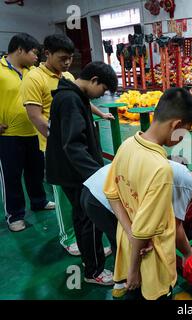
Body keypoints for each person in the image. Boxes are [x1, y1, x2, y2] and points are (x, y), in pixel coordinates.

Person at [103, 87, 192, 300]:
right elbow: (143, 231)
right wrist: (133, 271)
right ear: (175, 125)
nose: (183, 138)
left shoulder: (127, 145)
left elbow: (111, 193)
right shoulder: (160, 168)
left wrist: (129, 233)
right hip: (151, 261)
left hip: (129, 245)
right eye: (185, 131)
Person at [21, 34, 113, 255]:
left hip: (71, 146)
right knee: (66, 201)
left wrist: (100, 113)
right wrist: (57, 138)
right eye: (63, 58)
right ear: (47, 54)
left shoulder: (69, 79)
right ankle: (67, 237)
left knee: (81, 205)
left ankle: (86, 243)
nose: (67, 63)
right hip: (54, 147)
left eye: (70, 58)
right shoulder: (34, 78)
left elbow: (84, 101)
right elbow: (34, 115)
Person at [81, 160, 192, 297]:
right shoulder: (187, 185)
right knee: (129, 244)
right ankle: (129, 282)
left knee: (124, 238)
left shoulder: (176, 171)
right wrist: (188, 252)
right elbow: (176, 226)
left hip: (94, 185)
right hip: (102, 198)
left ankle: (124, 280)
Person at [45, 61, 118, 285]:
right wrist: (96, 177)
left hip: (70, 172)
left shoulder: (72, 95)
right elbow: (73, 145)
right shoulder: (70, 99)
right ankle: (93, 271)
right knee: (90, 219)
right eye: (103, 90)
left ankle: (90, 257)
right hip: (76, 174)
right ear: (94, 80)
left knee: (81, 216)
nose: (101, 95)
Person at [0, 33, 55, 232]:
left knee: (36, 171)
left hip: (35, 131)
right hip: (9, 136)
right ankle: (15, 215)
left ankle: (39, 201)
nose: (36, 57)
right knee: (12, 175)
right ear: (20, 50)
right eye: (34, 53)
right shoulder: (0, 70)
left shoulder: (33, 71)